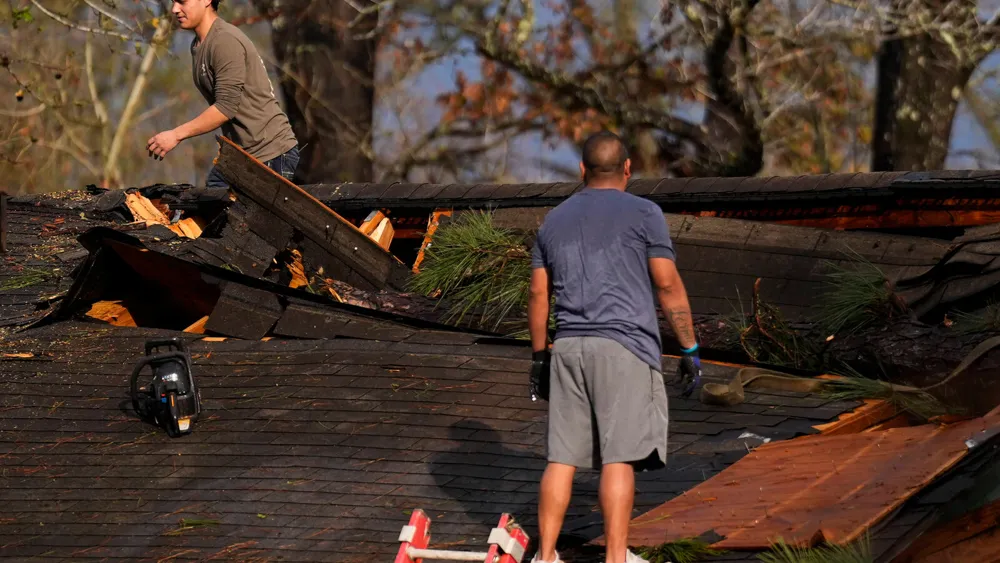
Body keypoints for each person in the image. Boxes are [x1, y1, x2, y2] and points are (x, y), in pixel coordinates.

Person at [527, 130, 702, 563]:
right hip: (623, 349)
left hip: (567, 347)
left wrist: (538, 358)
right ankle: (615, 558)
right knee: (618, 458)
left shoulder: (554, 220)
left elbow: (537, 295)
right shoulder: (645, 212)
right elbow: (666, 283)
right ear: (628, 169)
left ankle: (545, 555)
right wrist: (690, 349)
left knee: (561, 458)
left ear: (582, 171)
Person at [146, 0, 299, 187]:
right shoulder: (198, 44)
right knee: (208, 205)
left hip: (272, 154)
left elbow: (225, 108)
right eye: (173, 2)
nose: (174, 9)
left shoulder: (224, 41)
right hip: (241, 156)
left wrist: (176, 135)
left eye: (182, 1)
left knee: (235, 213)